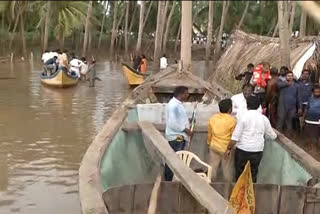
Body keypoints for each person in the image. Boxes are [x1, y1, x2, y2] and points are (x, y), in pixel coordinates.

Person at [226, 96, 277, 183]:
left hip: (242, 150)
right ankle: (251, 192)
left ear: (247, 105)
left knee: (239, 173)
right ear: (258, 106)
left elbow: (235, 137)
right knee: (253, 173)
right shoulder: (264, 119)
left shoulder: (243, 118)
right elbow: (273, 135)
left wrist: (229, 148)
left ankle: (239, 193)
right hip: (257, 150)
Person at [164, 86, 192, 181]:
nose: (188, 95)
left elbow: (178, 119)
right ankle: (169, 180)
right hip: (176, 137)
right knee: (174, 159)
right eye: (187, 93)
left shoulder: (177, 104)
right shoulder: (174, 106)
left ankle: (170, 178)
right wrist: (186, 130)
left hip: (177, 136)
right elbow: (173, 123)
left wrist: (188, 121)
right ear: (182, 94)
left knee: (175, 158)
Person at [207, 99, 236, 182]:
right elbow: (233, 137)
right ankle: (227, 189)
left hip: (214, 146)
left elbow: (210, 133)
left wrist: (209, 144)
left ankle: (210, 185)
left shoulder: (213, 118)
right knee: (227, 171)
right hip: (226, 148)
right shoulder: (232, 120)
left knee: (212, 168)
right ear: (230, 109)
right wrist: (230, 149)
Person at [276, 71, 302, 137]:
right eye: (288, 76)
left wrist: (300, 107)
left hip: (292, 107)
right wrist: (287, 83)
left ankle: (288, 137)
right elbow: (278, 85)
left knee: (289, 122)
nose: (290, 77)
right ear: (285, 77)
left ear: (293, 77)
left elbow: (299, 97)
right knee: (280, 121)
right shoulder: (282, 84)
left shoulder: (297, 86)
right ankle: (277, 136)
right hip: (282, 106)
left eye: (291, 76)